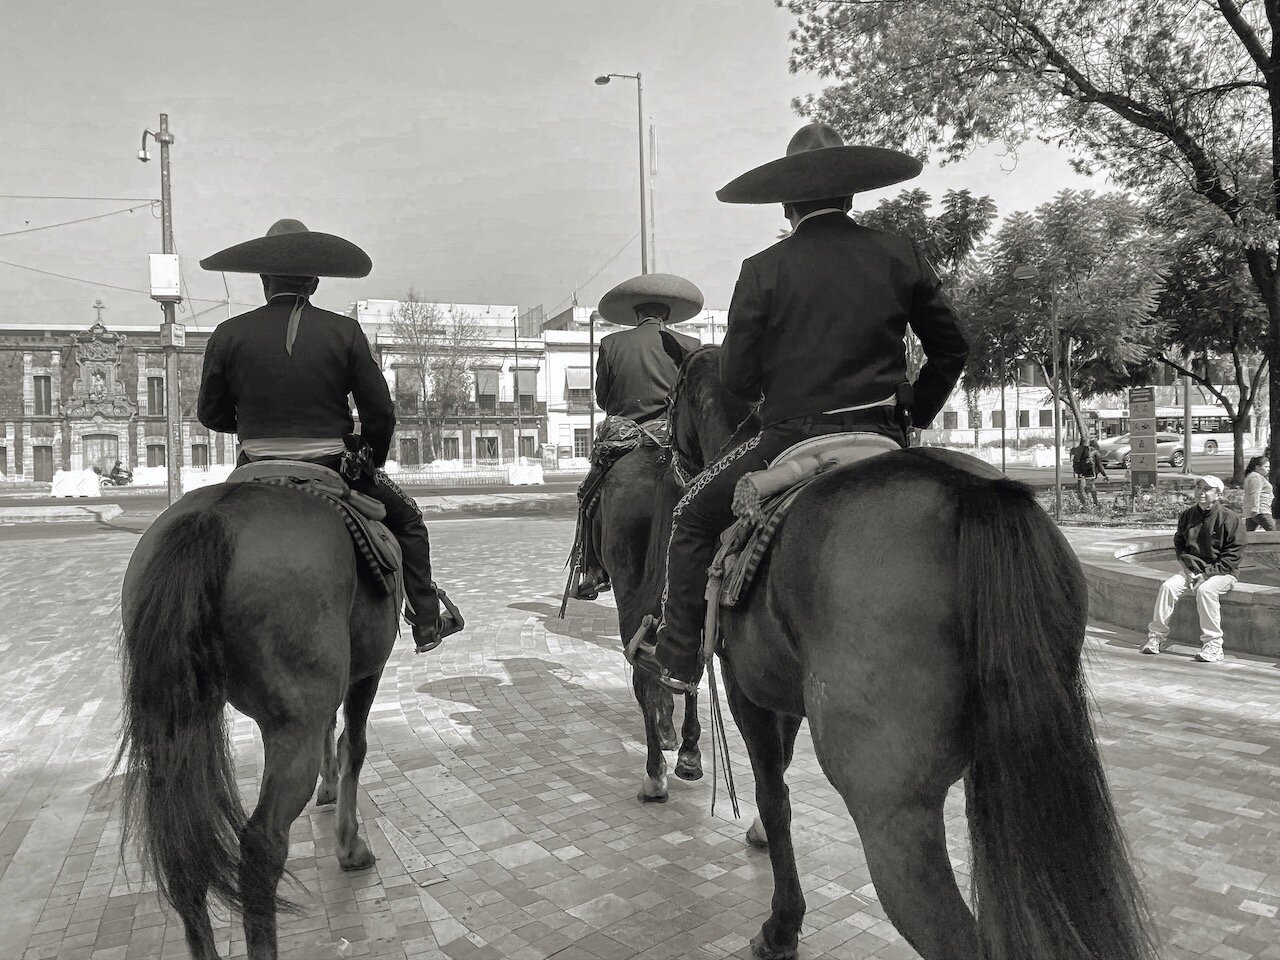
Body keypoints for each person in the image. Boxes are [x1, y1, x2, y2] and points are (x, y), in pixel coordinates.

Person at [627, 122, 969, 691]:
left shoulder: (764, 268)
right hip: (884, 435)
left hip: (791, 439)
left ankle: (681, 657)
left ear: (786, 202)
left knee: (690, 514)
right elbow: (951, 349)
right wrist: (913, 413)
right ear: (852, 195)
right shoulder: (898, 253)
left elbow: (736, 378)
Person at [197, 218, 460, 654]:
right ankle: (427, 619)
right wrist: (369, 457)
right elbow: (381, 412)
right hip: (329, 465)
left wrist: (251, 424)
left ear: (263, 280)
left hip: (255, 466)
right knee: (409, 519)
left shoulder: (228, 333)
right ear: (315, 283)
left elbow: (210, 413)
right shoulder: (345, 332)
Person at [573, 274, 703, 599]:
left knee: (587, 494)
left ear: (635, 314)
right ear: (667, 315)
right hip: (673, 439)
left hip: (624, 440)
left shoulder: (612, 344)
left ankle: (592, 571)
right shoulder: (690, 346)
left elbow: (603, 398)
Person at [1142, 475, 1245, 662]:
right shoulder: (1188, 515)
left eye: (1207, 489)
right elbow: (1180, 545)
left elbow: (1233, 556)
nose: (1201, 492)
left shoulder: (1231, 518)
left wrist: (1205, 575)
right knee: (1167, 587)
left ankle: (1214, 645)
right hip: (1192, 571)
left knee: (1205, 591)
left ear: (1218, 494)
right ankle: (1156, 638)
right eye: (1198, 487)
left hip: (1223, 572)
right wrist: (1188, 571)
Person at [1071, 436, 1109, 507]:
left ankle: (1085, 503)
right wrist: (1105, 475)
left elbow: (1073, 459)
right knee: (1091, 487)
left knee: (1082, 489)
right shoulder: (1095, 452)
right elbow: (1100, 465)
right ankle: (1095, 502)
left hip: (1080, 472)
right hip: (1091, 473)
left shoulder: (1079, 450)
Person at [1242, 455, 1274, 532]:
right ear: (1257, 467)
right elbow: (1255, 493)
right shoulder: (1256, 477)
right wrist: (1255, 509)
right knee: (1274, 533)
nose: (1268, 469)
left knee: (1249, 535)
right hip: (1261, 510)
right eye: (1265, 467)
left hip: (1254, 511)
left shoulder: (1255, 476)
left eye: (1269, 467)